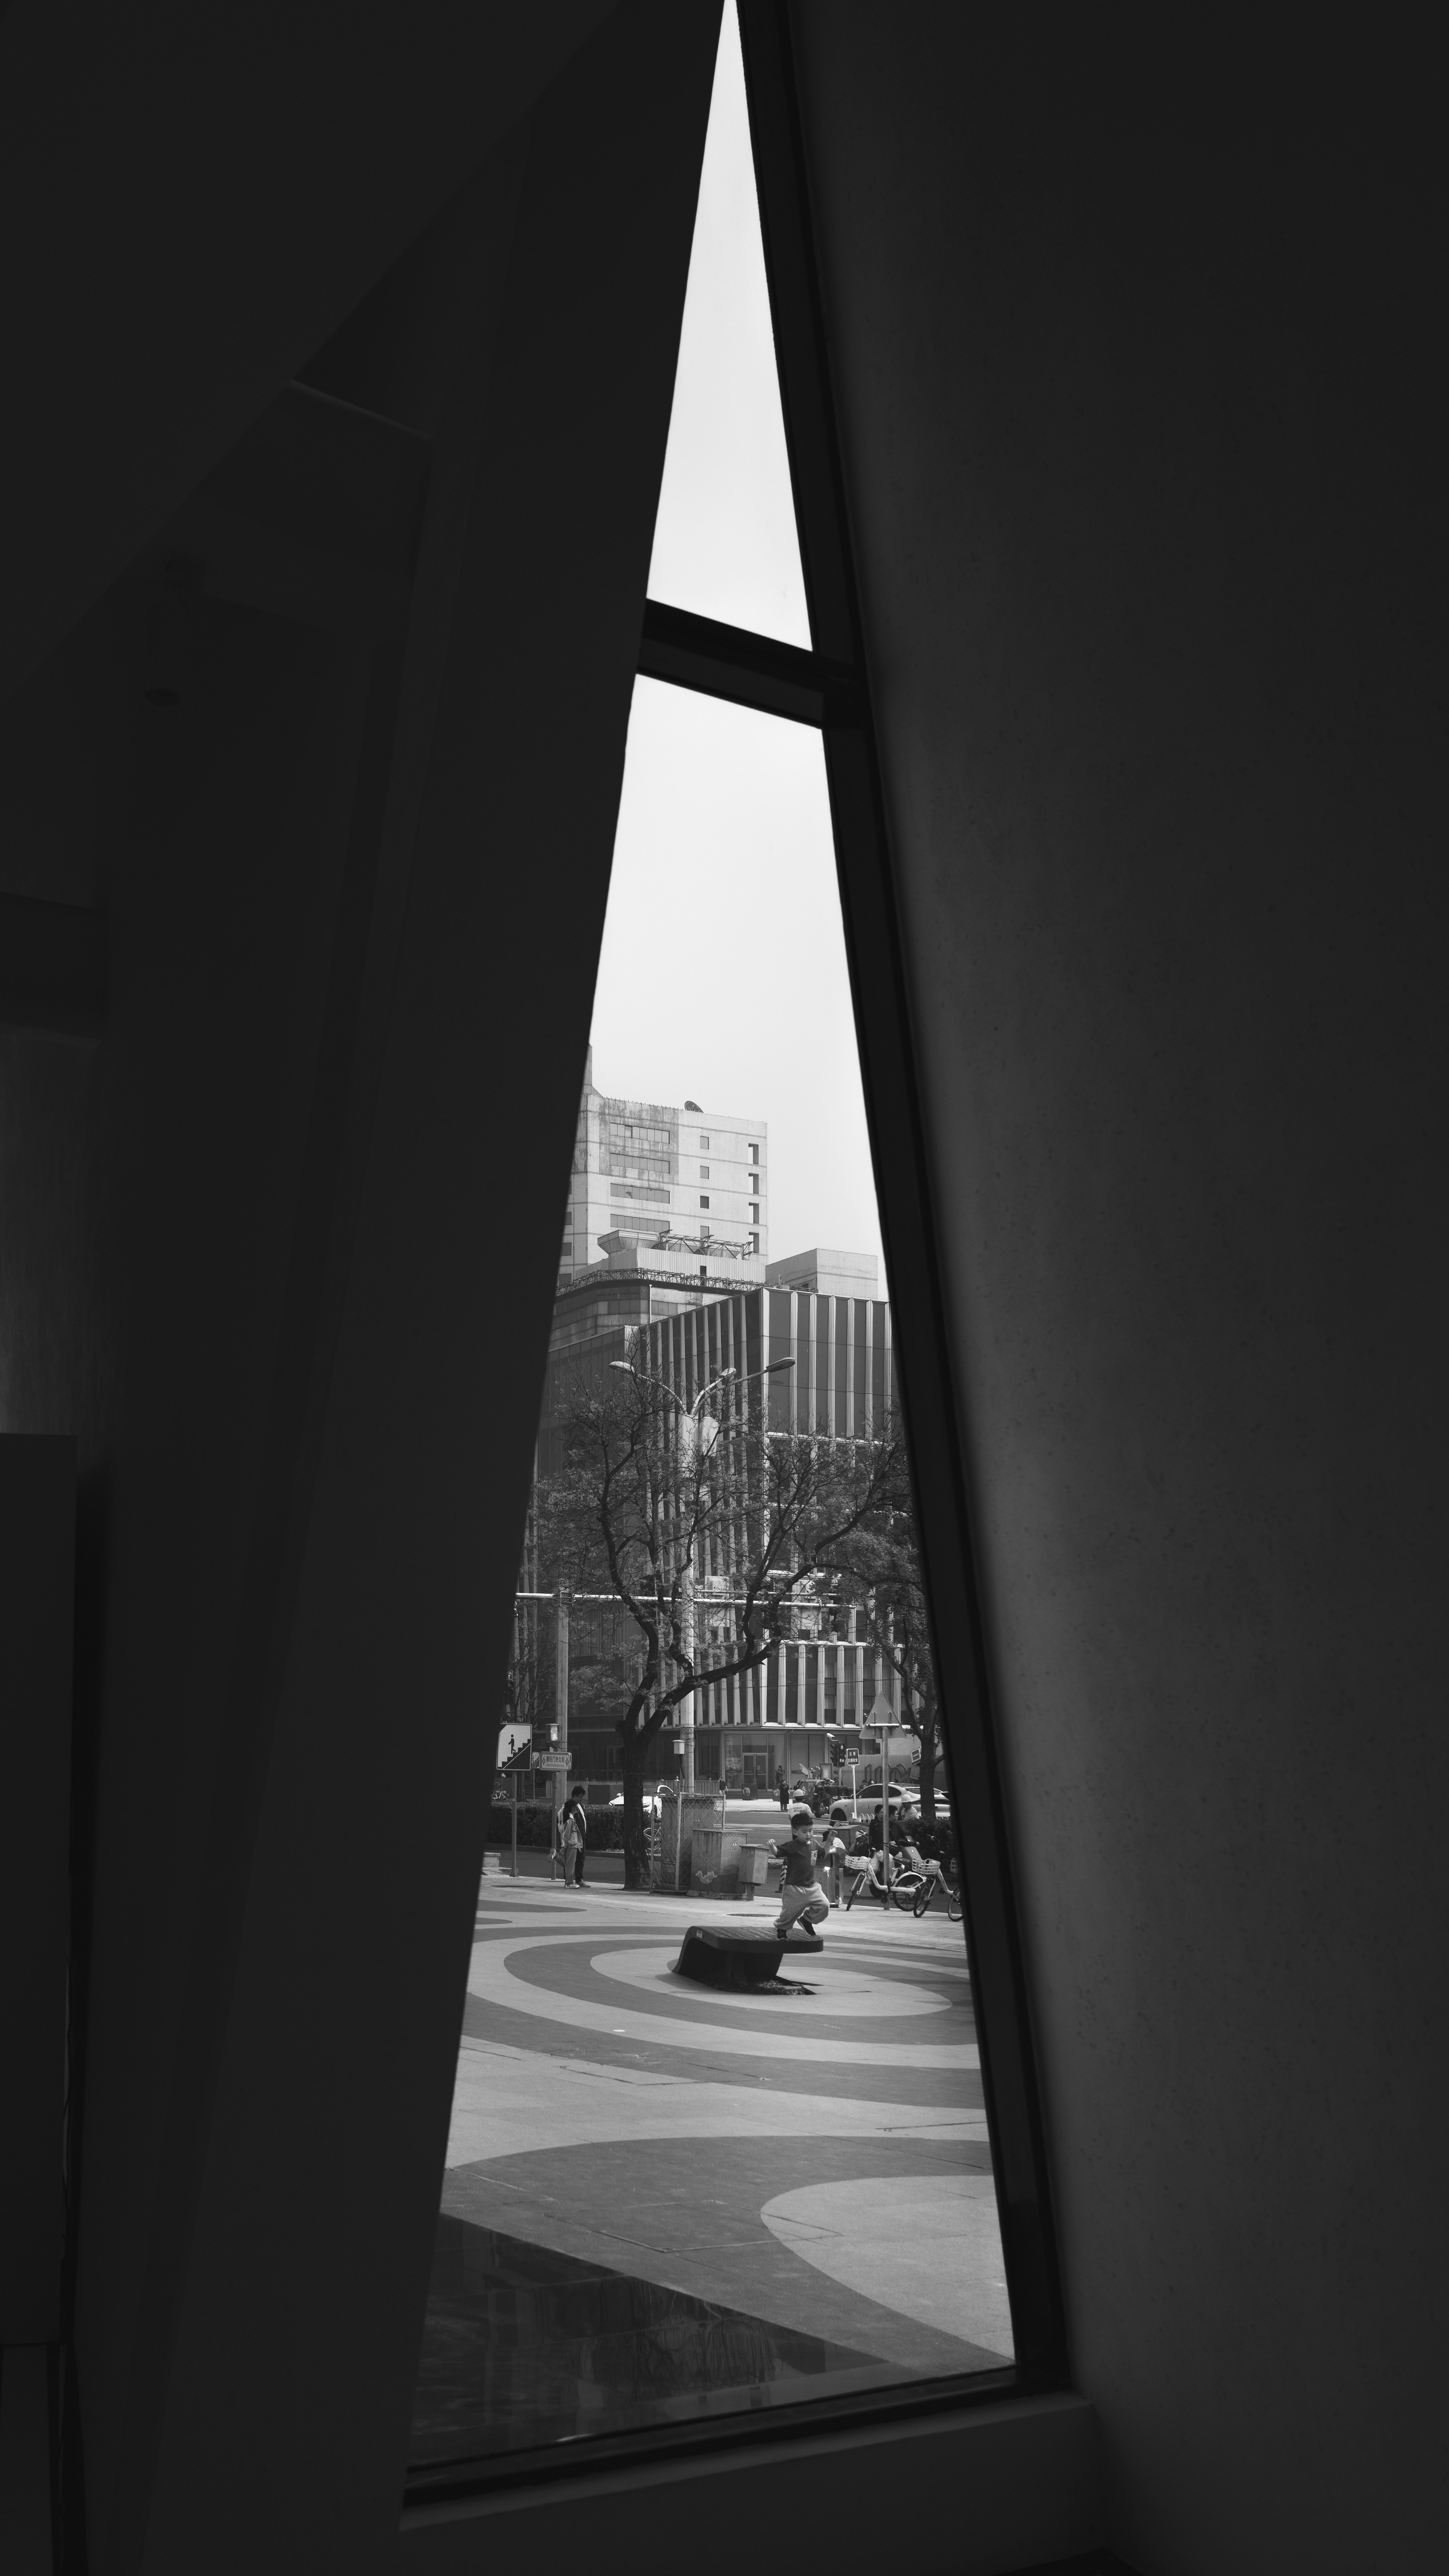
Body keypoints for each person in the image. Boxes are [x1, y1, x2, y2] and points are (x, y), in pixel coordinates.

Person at [770, 1806, 829, 1940]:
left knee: (824, 1906)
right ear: (795, 1832)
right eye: (804, 1831)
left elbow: (823, 1854)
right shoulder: (792, 1846)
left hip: (812, 1887)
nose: (808, 1834)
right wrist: (772, 1847)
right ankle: (782, 1929)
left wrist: (830, 1841)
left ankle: (807, 1920)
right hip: (794, 1888)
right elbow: (778, 1853)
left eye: (810, 1830)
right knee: (789, 1914)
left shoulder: (814, 1844)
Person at [560, 1791, 585, 1889]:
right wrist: (564, 1846)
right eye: (575, 1808)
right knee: (570, 1865)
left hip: (570, 1844)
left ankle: (556, 1856)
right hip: (572, 1845)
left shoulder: (569, 1819)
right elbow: (567, 1834)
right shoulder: (571, 1820)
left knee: (567, 1863)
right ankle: (570, 1883)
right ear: (573, 1809)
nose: (576, 1810)